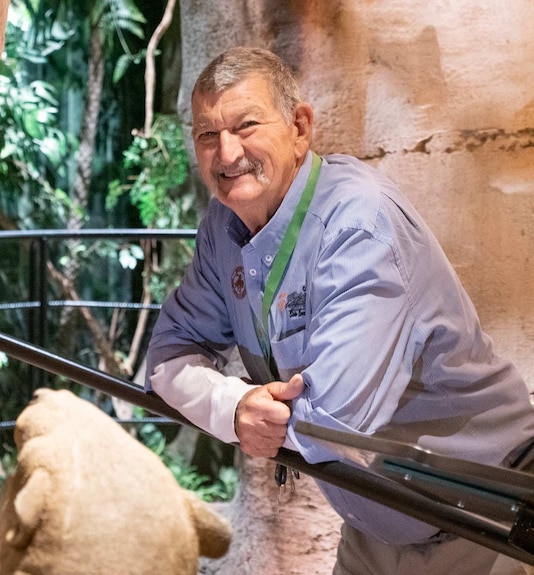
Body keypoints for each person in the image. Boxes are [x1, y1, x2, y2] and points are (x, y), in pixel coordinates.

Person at [145, 46, 534, 575]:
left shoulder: (358, 223)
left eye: (246, 125)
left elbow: (328, 420)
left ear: (300, 127)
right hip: (376, 516)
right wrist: (233, 406)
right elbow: (167, 355)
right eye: (207, 135)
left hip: (488, 521)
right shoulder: (223, 228)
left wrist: (239, 410)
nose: (227, 152)